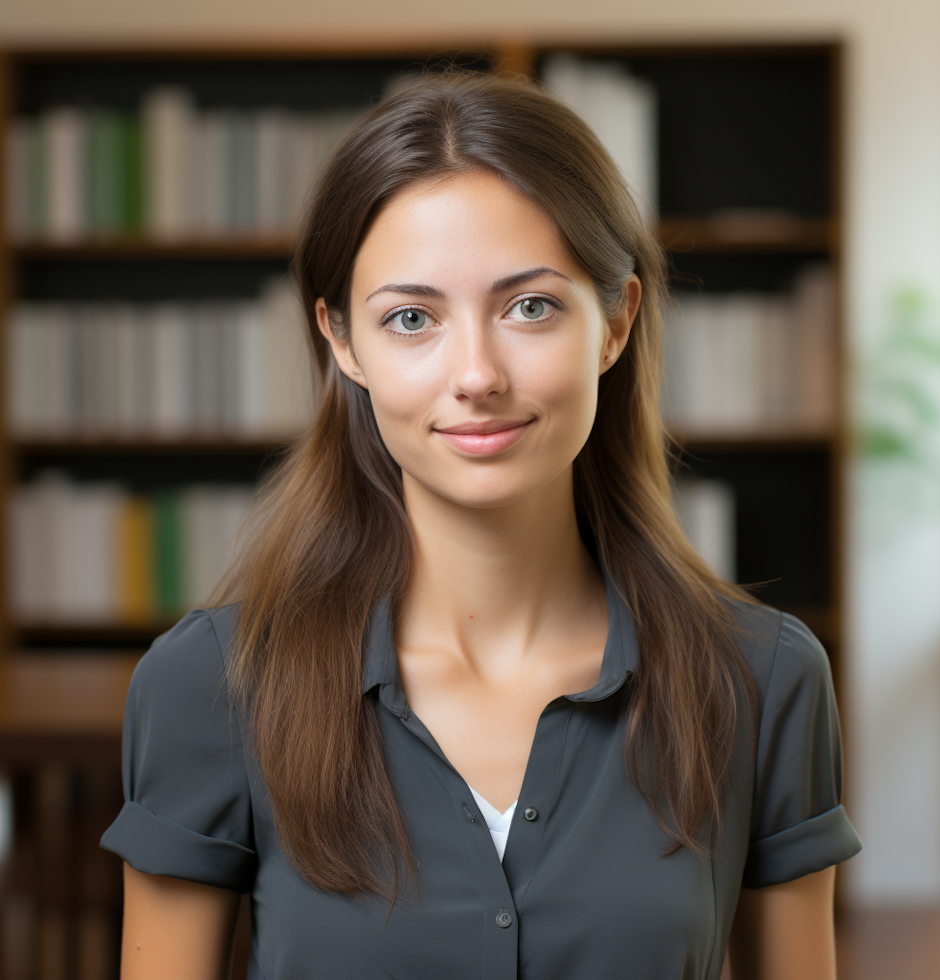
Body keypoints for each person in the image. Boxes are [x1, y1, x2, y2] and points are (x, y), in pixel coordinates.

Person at [100, 70, 862, 980]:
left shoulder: (764, 681)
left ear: (615, 322)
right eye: (412, 318)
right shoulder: (211, 687)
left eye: (530, 306)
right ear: (343, 341)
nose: (476, 374)